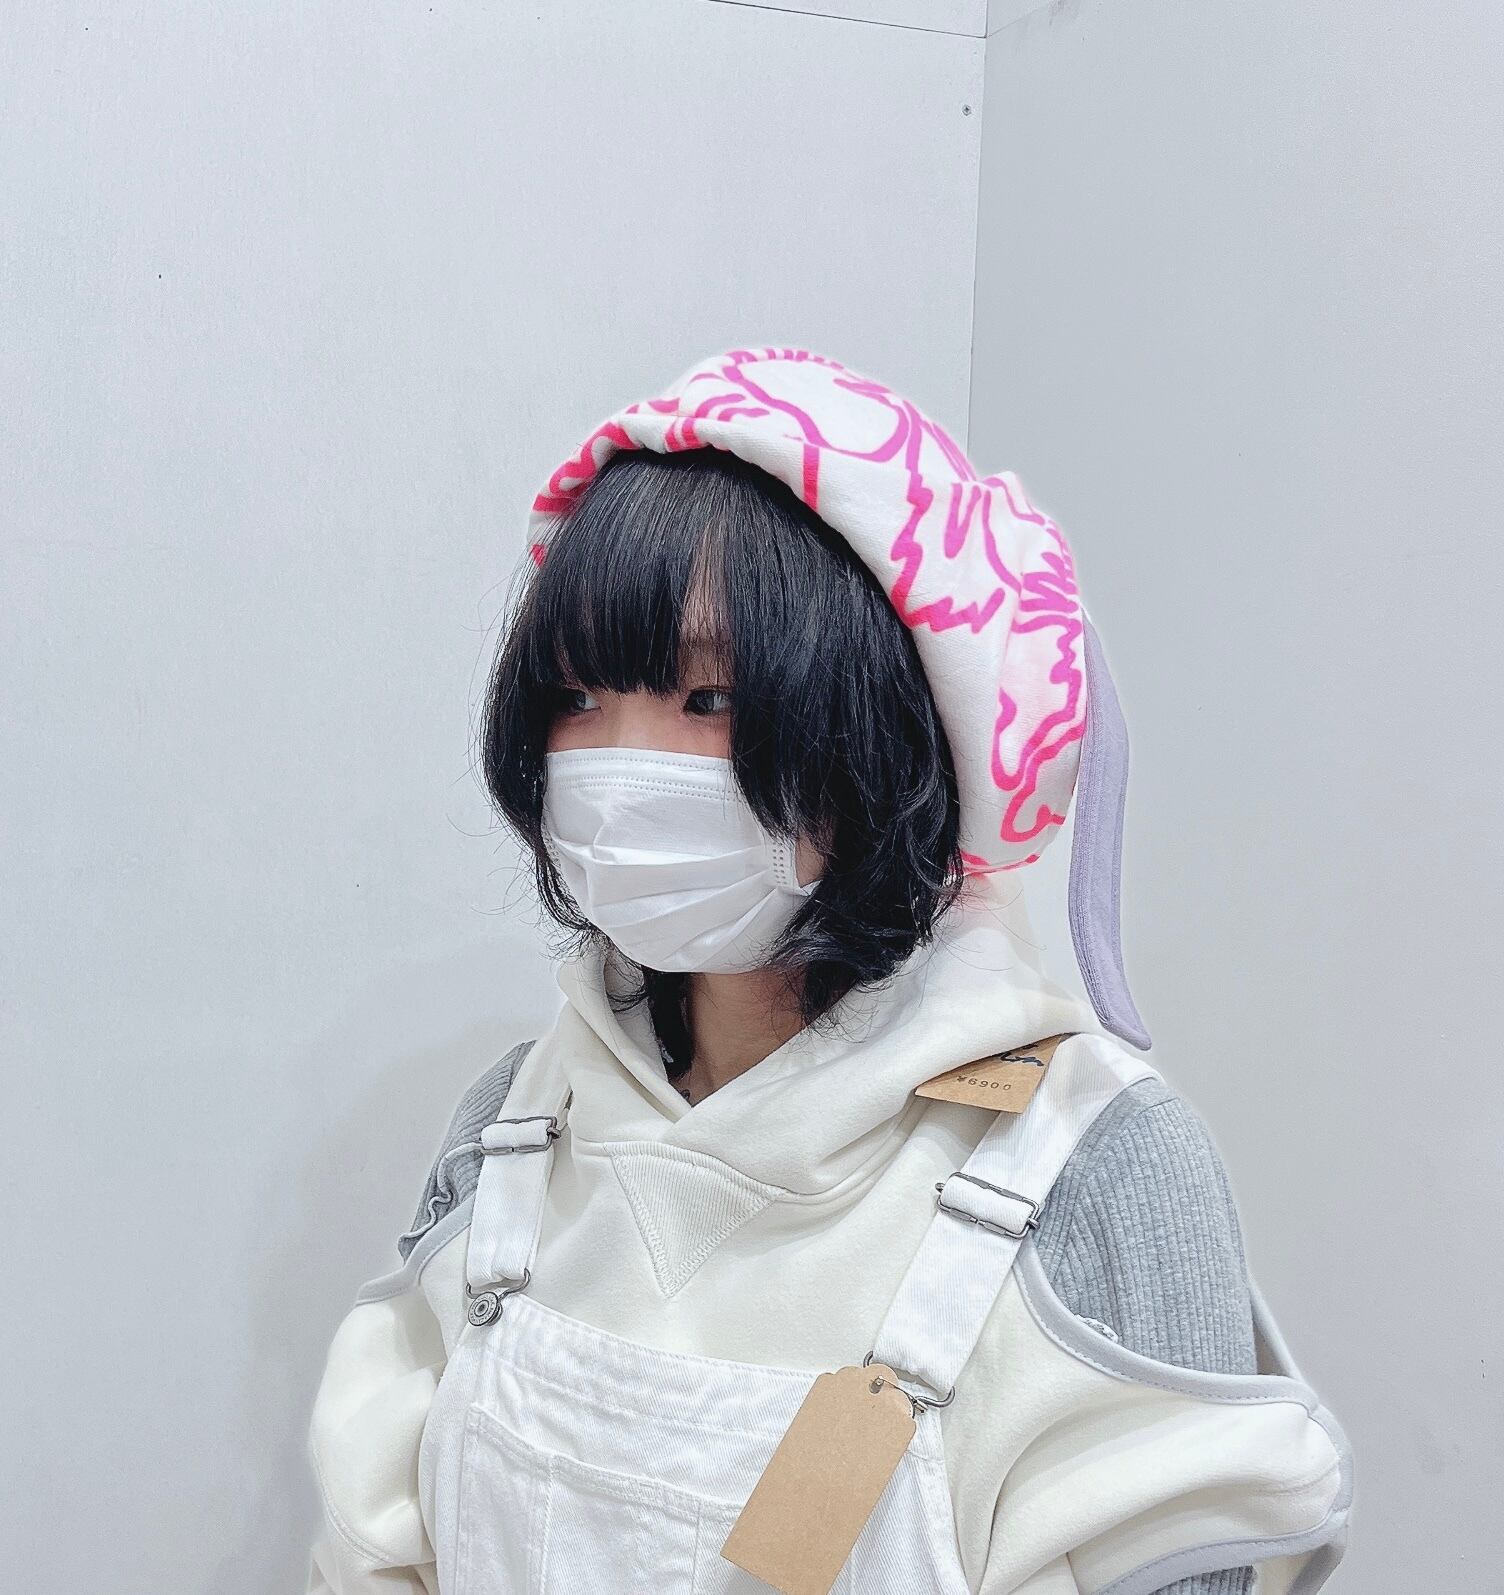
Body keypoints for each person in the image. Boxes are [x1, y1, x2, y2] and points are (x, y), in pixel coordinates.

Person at [303, 348, 1353, 1595]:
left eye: (706, 697)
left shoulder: (1097, 1166)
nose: (618, 765)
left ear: (882, 723)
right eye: (576, 694)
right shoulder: (514, 1123)